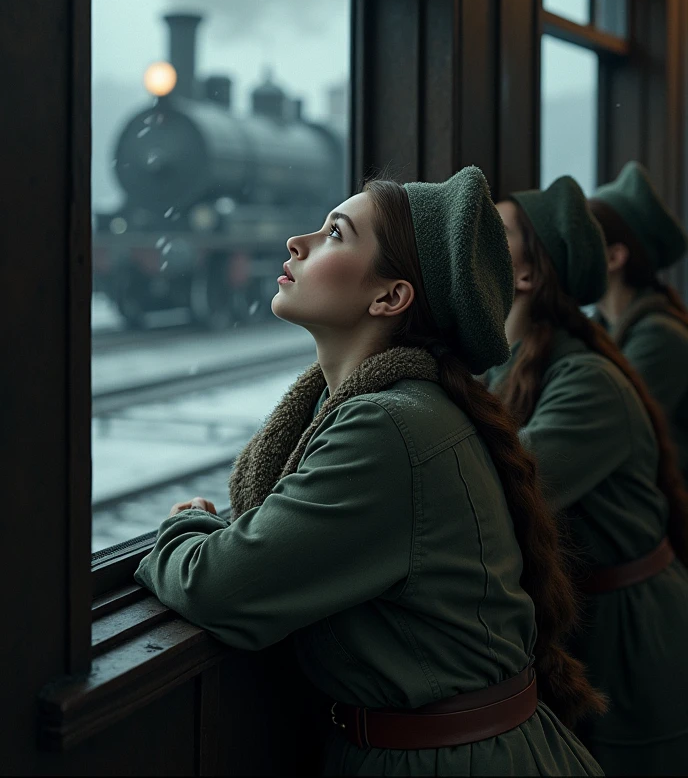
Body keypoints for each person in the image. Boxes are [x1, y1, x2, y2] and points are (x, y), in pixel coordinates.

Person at [135, 168, 603, 776]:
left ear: (389, 297)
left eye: (335, 232)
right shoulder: (392, 408)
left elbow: (219, 587)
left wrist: (181, 531)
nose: (296, 243)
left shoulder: (389, 428)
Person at [488, 175, 688, 777]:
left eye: (491, 233)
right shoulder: (510, 364)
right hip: (587, 625)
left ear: (525, 276)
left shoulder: (587, 382)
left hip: (631, 637)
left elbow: (486, 487)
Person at [589, 161, 688, 481]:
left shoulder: (661, 337)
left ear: (615, 257)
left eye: (583, 239)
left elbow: (606, 433)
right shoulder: (603, 328)